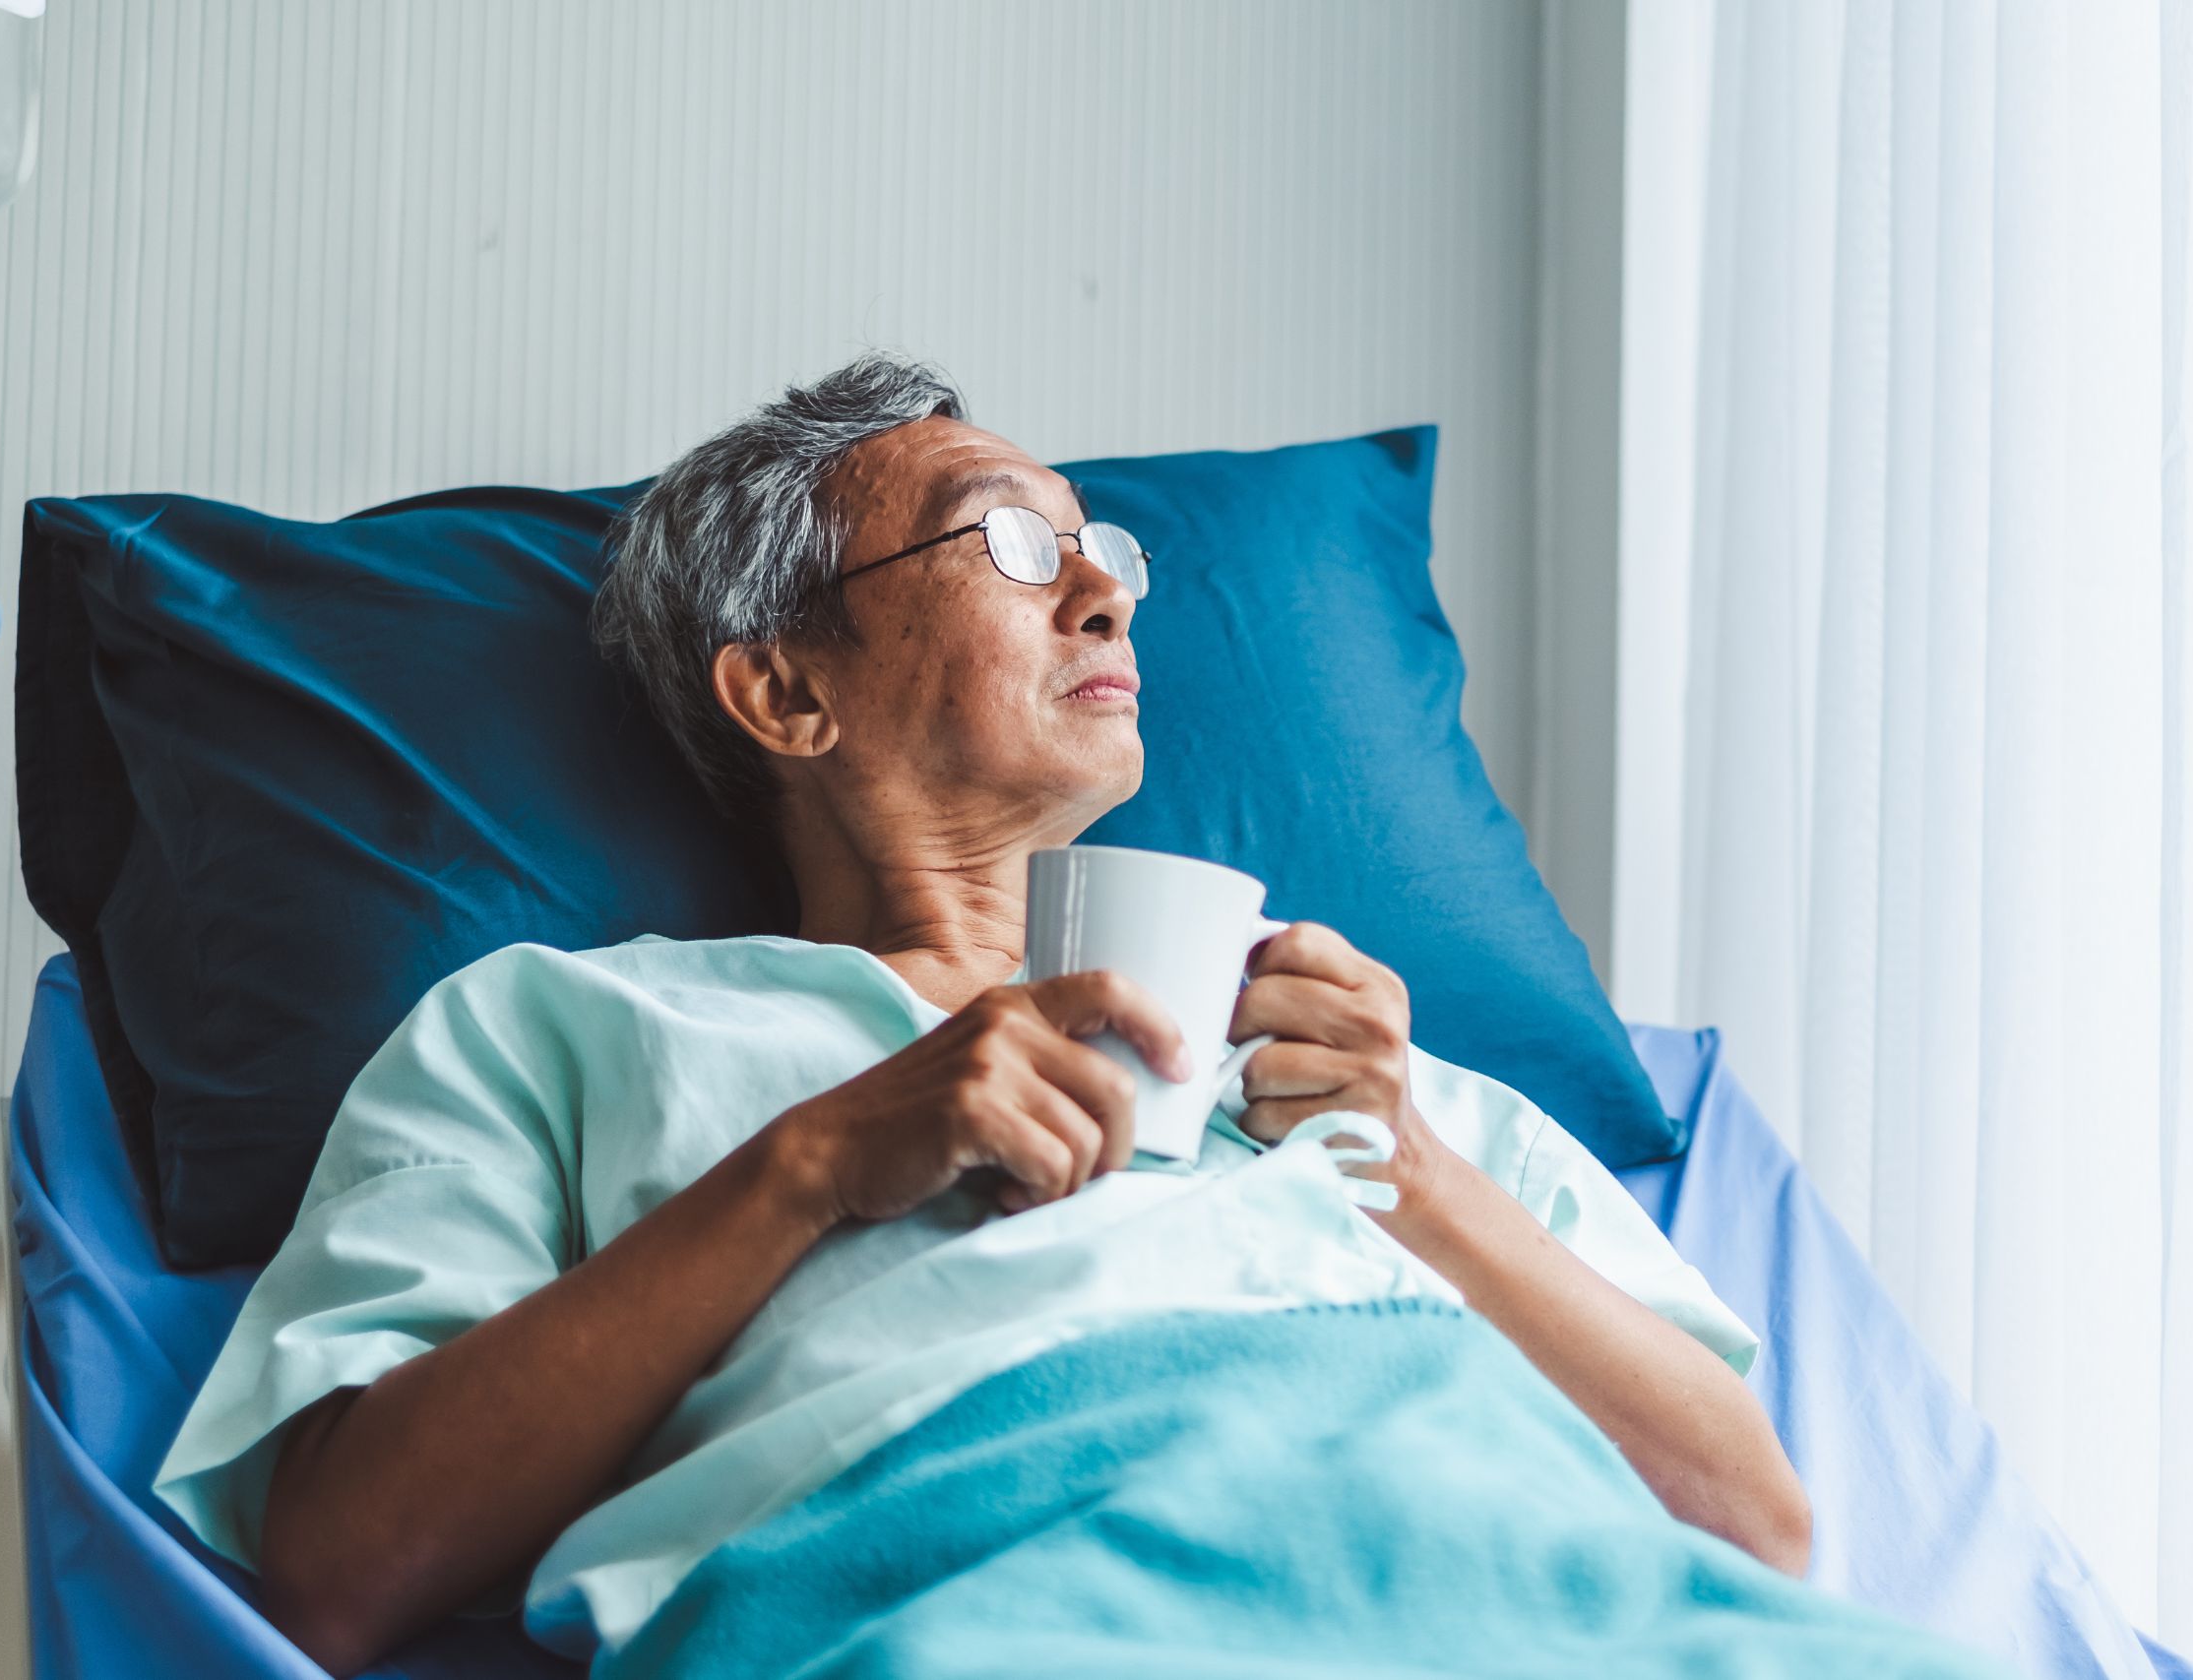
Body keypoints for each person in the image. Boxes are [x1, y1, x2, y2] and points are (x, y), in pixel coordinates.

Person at [156, 353, 1810, 1675]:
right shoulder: (567, 1035)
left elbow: (1756, 1527)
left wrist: (1417, 1174)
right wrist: (813, 1164)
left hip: (1502, 1571)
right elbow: (339, 1573)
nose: (1104, 592)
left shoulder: (1349, 1061)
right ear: (787, 688)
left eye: (1104, 552)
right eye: (1014, 542)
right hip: (981, 1586)